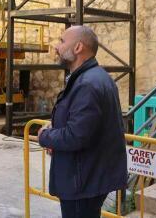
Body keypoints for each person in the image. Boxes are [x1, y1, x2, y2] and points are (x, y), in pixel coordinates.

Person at [38, 25, 128, 218]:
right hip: (88, 176)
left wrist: (45, 136)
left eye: (62, 42)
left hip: (82, 181)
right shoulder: (95, 77)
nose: (57, 47)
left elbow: (76, 136)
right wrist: (56, 130)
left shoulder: (87, 83)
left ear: (78, 48)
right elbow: (86, 125)